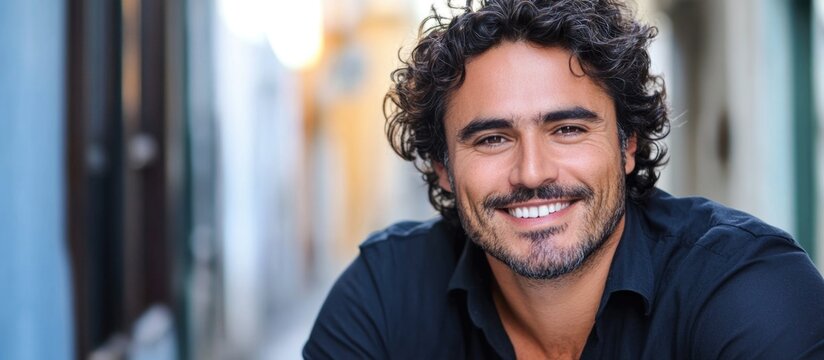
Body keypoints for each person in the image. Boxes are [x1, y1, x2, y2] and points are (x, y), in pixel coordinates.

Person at [304, 0, 824, 358]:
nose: (532, 173)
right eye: (492, 139)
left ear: (628, 145)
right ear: (443, 165)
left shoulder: (748, 293)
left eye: (568, 128)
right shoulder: (385, 295)